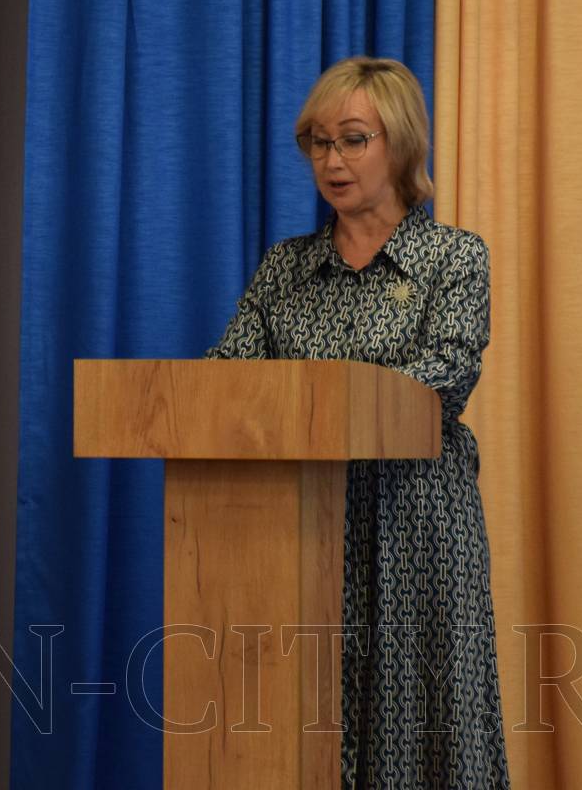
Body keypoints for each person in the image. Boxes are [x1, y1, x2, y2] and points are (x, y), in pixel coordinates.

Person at [206, 56, 511, 788]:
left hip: (416, 523)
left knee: (424, 724)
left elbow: (447, 375)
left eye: (352, 139)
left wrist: (330, 402)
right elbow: (226, 378)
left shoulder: (452, 258)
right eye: (319, 142)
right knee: (306, 722)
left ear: (400, 145)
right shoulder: (285, 268)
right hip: (298, 524)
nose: (332, 160)